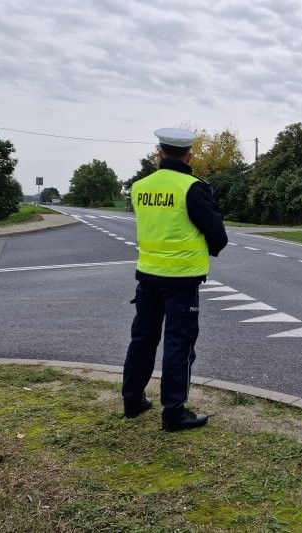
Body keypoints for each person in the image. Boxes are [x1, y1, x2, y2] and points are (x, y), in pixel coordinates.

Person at [122, 127, 228, 432]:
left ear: (159, 153)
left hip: (147, 276)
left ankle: (132, 400)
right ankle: (174, 412)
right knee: (178, 343)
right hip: (182, 280)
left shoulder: (140, 187)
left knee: (143, 339)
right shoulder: (193, 188)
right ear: (189, 156)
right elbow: (218, 236)